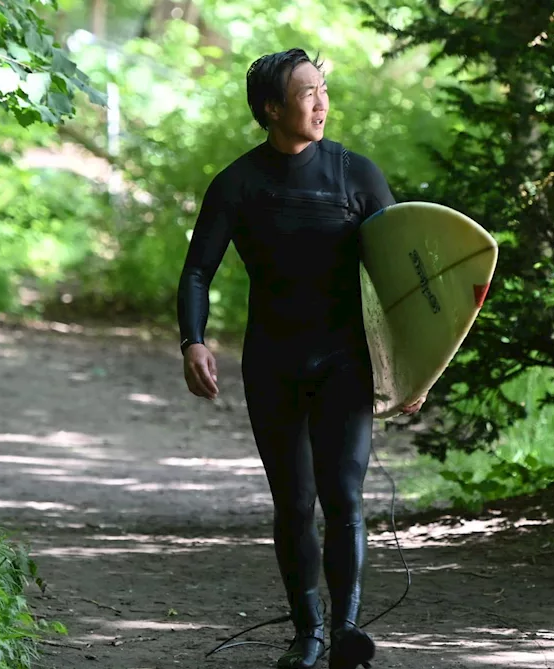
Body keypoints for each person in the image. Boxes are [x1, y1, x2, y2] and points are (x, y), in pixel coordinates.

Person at [176, 48, 424, 669]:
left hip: (346, 361)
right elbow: (198, 271)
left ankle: (346, 633)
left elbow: (402, 281)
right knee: (294, 502)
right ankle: (307, 633)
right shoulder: (239, 182)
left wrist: (416, 368)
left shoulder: (355, 175)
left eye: (323, 89)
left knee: (344, 494)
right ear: (271, 108)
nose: (321, 102)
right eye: (307, 92)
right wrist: (194, 340)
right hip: (273, 362)